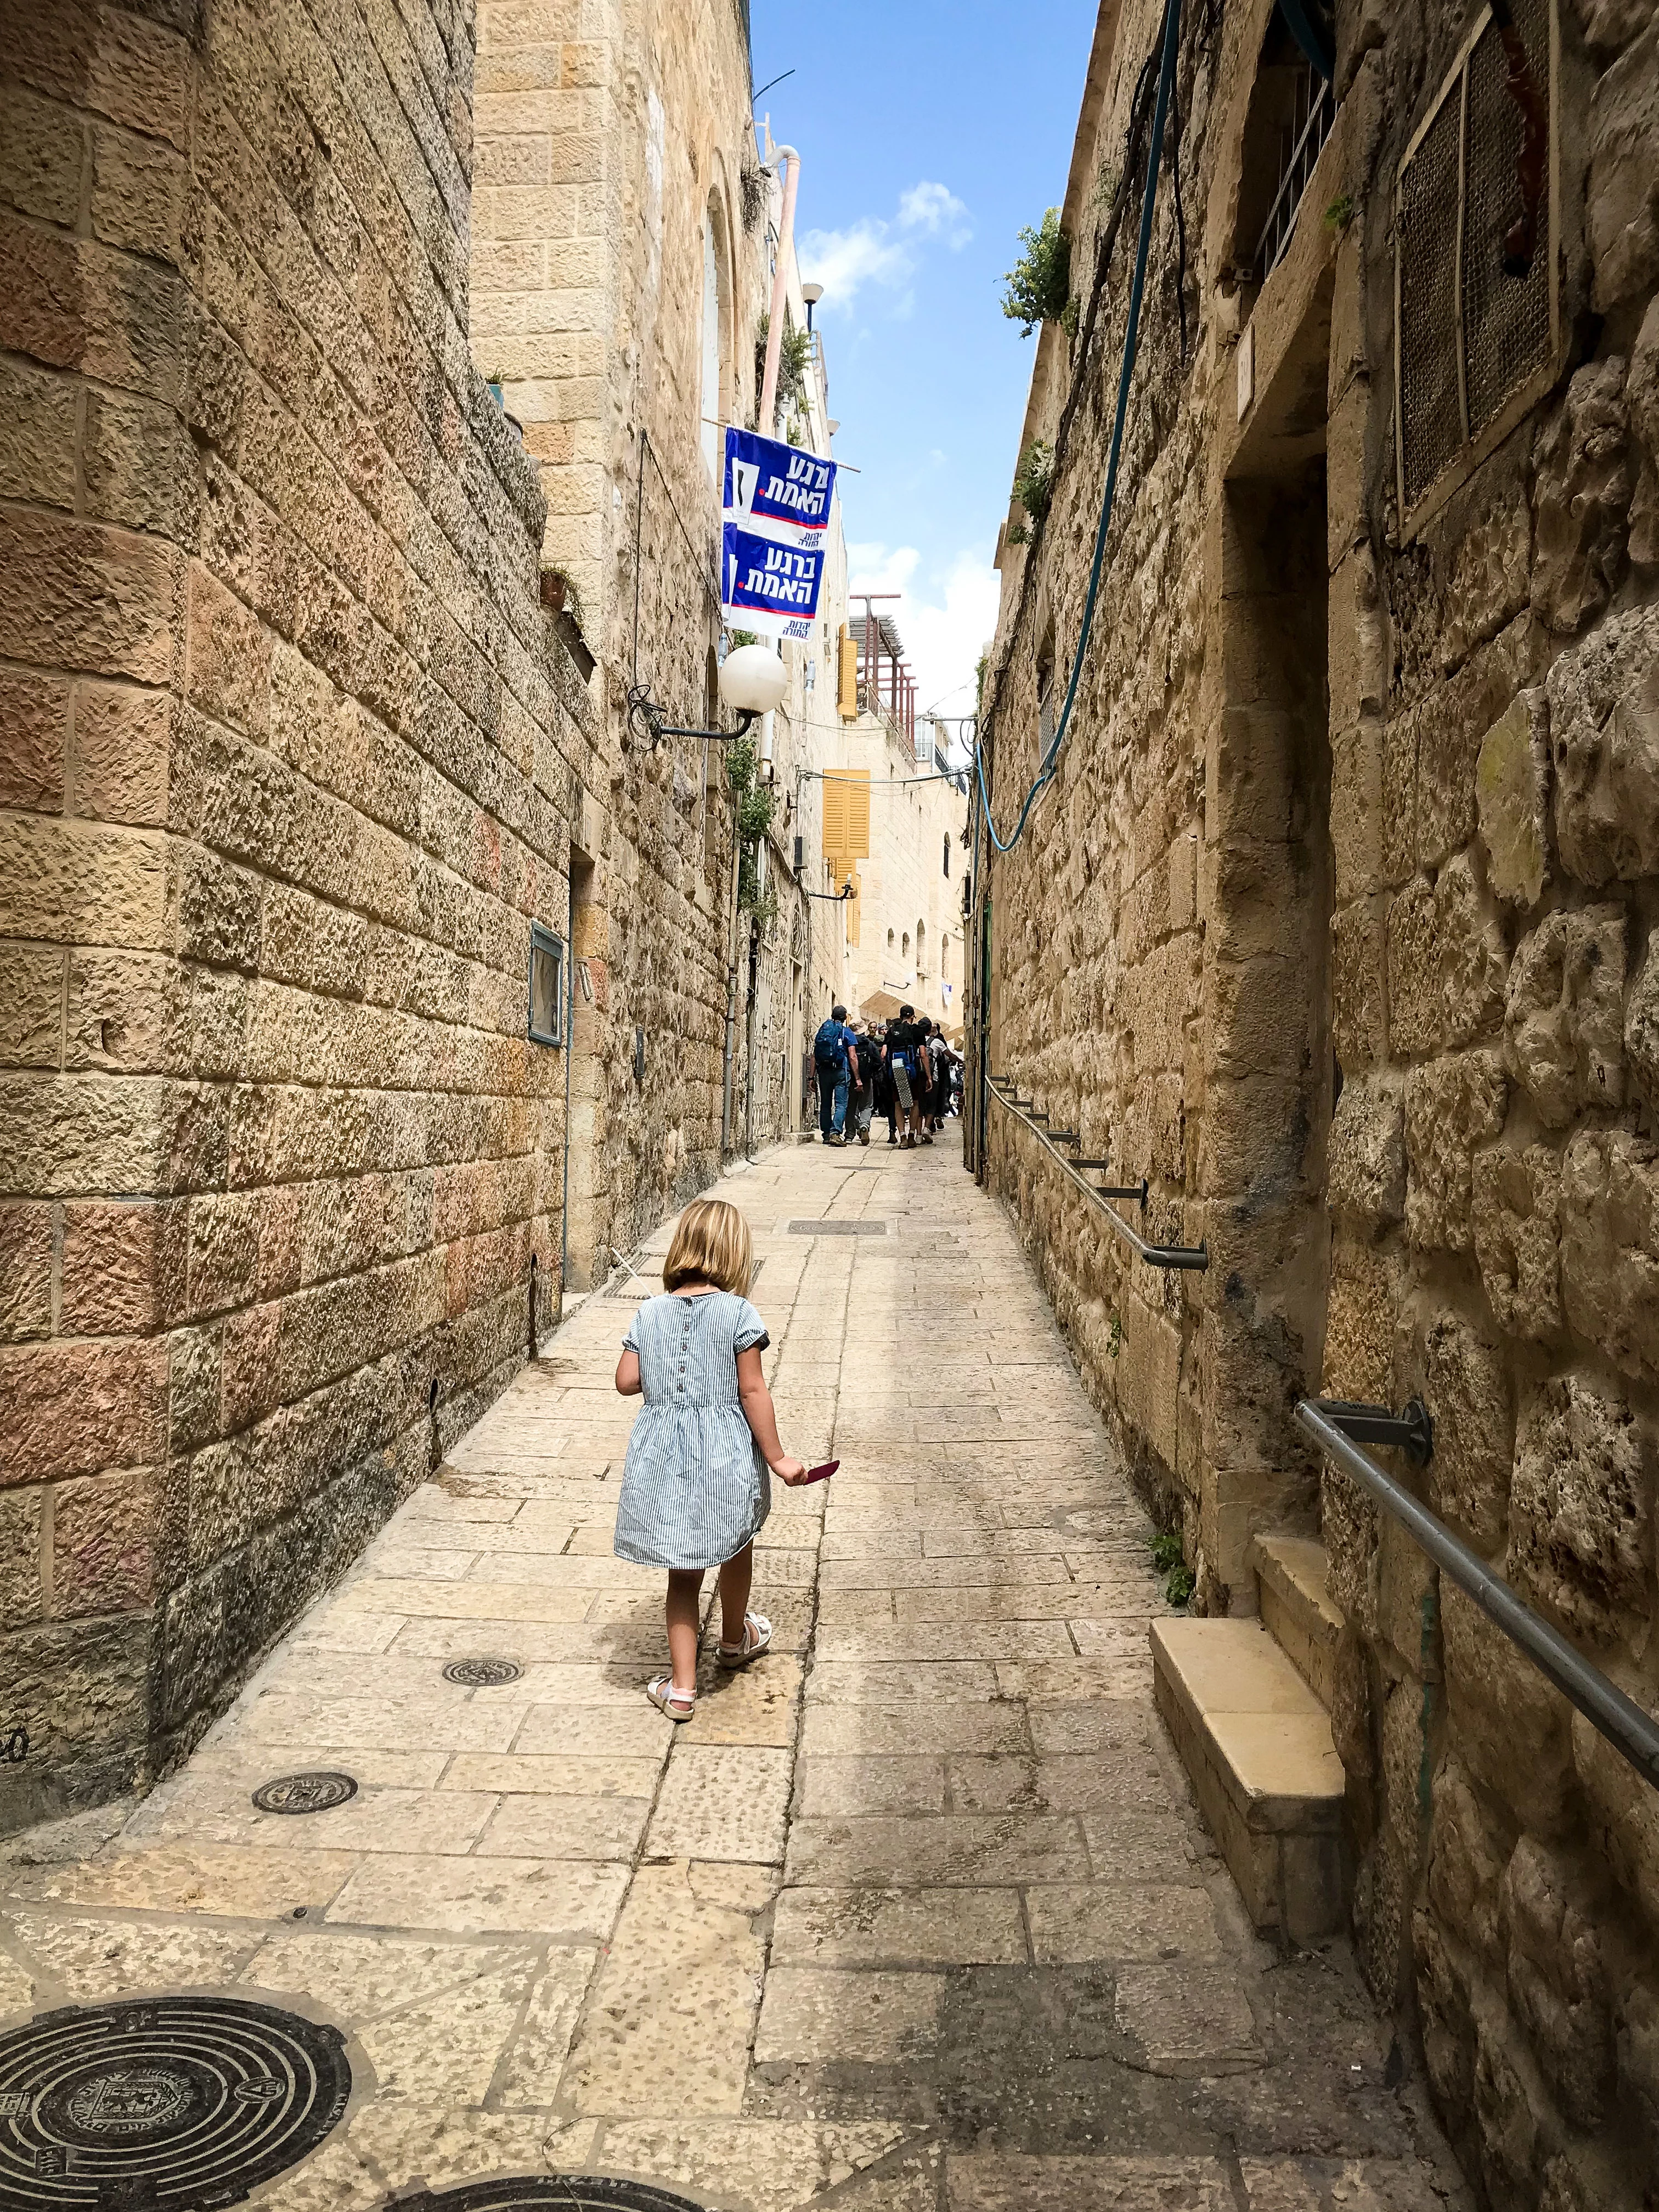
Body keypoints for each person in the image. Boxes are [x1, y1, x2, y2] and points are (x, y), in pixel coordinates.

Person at [613, 1197, 806, 1721]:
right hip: (722, 1455)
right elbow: (752, 1390)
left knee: (682, 1572)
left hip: (666, 1459)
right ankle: (732, 1639)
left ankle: (680, 1689)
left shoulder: (649, 1311)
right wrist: (779, 1459)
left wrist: (664, 1360)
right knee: (735, 1543)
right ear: (734, 1253)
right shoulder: (740, 1313)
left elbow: (626, 1381)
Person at [812, 1003, 858, 1146]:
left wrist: (811, 1077)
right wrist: (857, 1078)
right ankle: (835, 1133)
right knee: (841, 1104)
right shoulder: (847, 1033)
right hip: (841, 1072)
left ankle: (826, 1134)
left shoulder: (824, 1031)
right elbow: (852, 1057)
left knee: (825, 1104)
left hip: (824, 1072)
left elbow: (814, 1055)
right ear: (845, 1018)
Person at [888, 1003, 923, 1148]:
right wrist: (928, 1075)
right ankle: (911, 1135)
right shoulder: (917, 1031)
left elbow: (885, 1053)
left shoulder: (892, 1031)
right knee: (914, 1103)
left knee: (899, 1104)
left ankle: (902, 1136)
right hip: (912, 1072)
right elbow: (923, 1054)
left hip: (897, 1070)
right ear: (912, 1017)